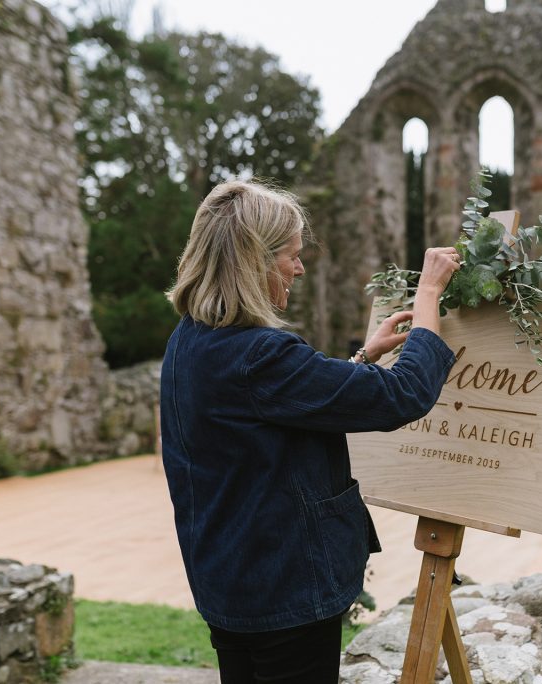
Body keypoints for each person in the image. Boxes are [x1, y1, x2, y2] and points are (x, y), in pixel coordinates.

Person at [159, 179, 461, 683]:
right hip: (284, 591)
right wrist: (429, 294)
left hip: (230, 582)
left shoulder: (189, 340)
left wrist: (364, 358)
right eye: (291, 255)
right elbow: (403, 395)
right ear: (253, 261)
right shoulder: (259, 353)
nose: (299, 267)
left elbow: (275, 410)